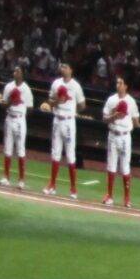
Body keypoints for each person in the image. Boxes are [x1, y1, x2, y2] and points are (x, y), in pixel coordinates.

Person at [42, 62, 85, 196]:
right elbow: (50, 101)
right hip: (57, 119)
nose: (63, 69)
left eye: (66, 67)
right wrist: (57, 101)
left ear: (71, 70)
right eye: (62, 67)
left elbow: (82, 105)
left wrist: (73, 111)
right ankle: (52, 185)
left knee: (71, 155)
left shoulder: (75, 86)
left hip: (68, 121)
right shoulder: (56, 83)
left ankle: (73, 189)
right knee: (55, 153)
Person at [100, 76, 140, 207]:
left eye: (121, 83)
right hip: (113, 134)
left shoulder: (131, 101)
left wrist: (128, 122)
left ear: (126, 86)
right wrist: (114, 116)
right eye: (117, 82)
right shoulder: (111, 99)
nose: (118, 85)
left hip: (125, 135)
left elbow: (136, 121)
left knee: (125, 167)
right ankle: (109, 195)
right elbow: (104, 118)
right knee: (111, 165)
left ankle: (127, 198)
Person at [0, 65, 32, 187]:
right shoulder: (8, 87)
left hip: (19, 119)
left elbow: (29, 108)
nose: (15, 73)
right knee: (7, 148)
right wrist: (10, 101)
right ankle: (6, 177)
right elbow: (3, 105)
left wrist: (20, 112)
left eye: (18, 71)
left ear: (22, 74)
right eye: (14, 71)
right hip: (9, 117)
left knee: (20, 149)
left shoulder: (26, 89)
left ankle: (21, 179)